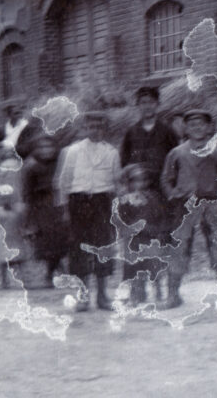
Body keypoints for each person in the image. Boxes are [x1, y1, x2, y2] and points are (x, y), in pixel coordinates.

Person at [160, 108, 217, 309]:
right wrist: (173, 193)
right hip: (185, 205)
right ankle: (173, 293)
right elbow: (166, 179)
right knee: (179, 246)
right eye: (191, 125)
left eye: (201, 124)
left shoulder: (216, 152)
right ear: (185, 129)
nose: (197, 128)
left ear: (209, 128)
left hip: (209, 203)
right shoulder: (177, 153)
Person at [55, 111, 122, 311]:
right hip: (79, 202)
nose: (95, 130)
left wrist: (117, 209)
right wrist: (65, 209)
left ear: (105, 128)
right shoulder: (73, 151)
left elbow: (116, 183)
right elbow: (64, 182)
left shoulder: (112, 152)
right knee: (80, 249)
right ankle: (83, 296)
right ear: (84, 128)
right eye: (91, 126)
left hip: (102, 202)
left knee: (103, 248)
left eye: (99, 126)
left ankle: (102, 295)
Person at [118, 165, 171, 305]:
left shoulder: (154, 197)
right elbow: (122, 219)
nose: (139, 184)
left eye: (142, 180)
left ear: (147, 182)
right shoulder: (125, 199)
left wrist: (158, 231)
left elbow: (161, 216)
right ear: (130, 183)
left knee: (154, 263)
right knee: (132, 265)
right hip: (134, 238)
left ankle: (158, 290)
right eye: (135, 181)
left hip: (151, 235)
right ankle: (136, 292)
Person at [22, 134, 69, 288]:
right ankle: (50, 274)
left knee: (61, 238)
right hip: (42, 207)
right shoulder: (32, 167)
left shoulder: (60, 163)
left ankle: (57, 267)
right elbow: (27, 193)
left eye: (49, 146)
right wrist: (30, 217)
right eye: (41, 147)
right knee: (48, 241)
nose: (46, 150)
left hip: (59, 203)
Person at [0, 139, 30, 289]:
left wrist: (4, 203)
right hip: (11, 205)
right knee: (13, 243)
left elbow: (5, 188)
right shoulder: (13, 166)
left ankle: (6, 278)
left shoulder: (7, 168)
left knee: (4, 243)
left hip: (6, 206)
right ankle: (17, 277)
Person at [120, 86, 179, 178]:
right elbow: (124, 160)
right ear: (138, 105)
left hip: (162, 182)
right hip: (139, 182)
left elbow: (176, 158)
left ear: (158, 104)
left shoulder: (167, 131)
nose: (147, 106)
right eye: (143, 102)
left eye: (151, 102)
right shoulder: (131, 132)